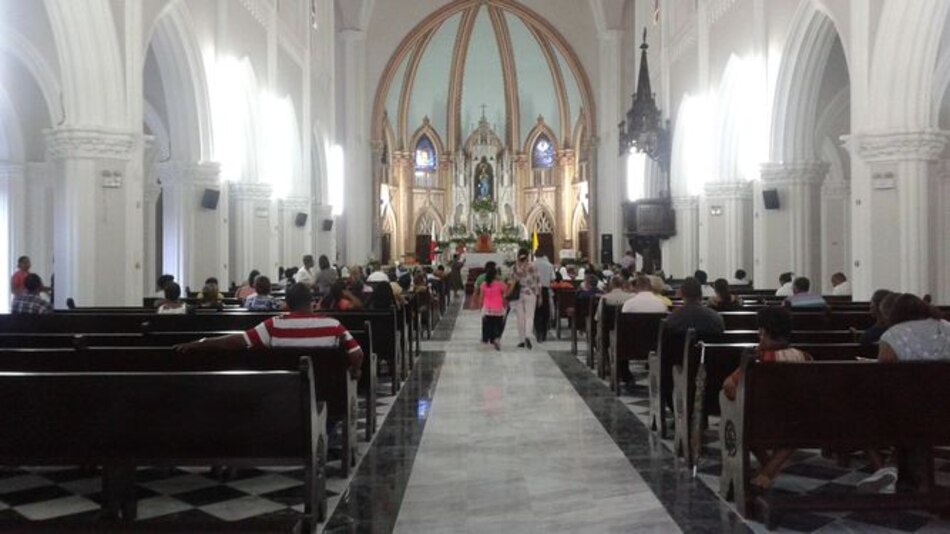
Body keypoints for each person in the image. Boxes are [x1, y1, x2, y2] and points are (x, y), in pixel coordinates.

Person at [174, 283, 363, 380]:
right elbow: (357, 354)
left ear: (287, 304)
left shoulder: (273, 325)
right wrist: (355, 370)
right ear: (312, 302)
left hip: (284, 394)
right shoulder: (333, 325)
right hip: (328, 394)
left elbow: (237, 341)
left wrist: (200, 344)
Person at [722, 307, 812, 490]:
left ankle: (767, 471)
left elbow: (729, 387)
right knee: (793, 432)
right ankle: (768, 471)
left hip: (757, 422)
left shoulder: (759, 360)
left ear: (762, 332)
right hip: (797, 422)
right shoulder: (805, 356)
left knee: (744, 420)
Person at [878, 293, 950, 362]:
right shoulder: (947, 326)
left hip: (907, 374)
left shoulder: (892, 335)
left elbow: (885, 369)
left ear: (895, 313)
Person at [509, 248, 540, 349]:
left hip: (519, 293)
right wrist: (540, 296)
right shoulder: (533, 266)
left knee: (520, 317)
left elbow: (511, 280)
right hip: (530, 292)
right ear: (528, 256)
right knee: (529, 316)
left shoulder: (514, 267)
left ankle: (522, 340)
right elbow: (538, 281)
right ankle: (527, 335)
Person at [477, 262, 507, 350]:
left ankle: (485, 339)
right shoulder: (500, 284)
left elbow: (481, 297)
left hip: (487, 309)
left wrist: (480, 306)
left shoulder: (484, 285)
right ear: (495, 275)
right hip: (498, 308)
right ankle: (496, 338)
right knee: (497, 324)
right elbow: (506, 293)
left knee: (487, 325)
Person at [534, 254, 555, 342]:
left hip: (535, 290)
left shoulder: (533, 264)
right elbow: (553, 278)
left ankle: (538, 332)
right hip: (545, 290)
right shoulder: (549, 265)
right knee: (545, 312)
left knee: (536, 312)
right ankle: (544, 333)